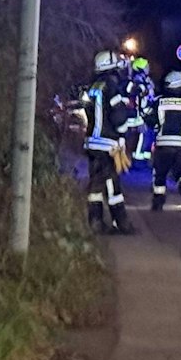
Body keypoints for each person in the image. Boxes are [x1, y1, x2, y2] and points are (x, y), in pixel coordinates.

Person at [77, 50, 134, 234]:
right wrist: (123, 133)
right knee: (112, 184)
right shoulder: (111, 86)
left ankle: (96, 220)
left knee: (96, 184)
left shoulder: (93, 87)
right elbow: (119, 117)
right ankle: (121, 223)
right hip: (107, 144)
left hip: (92, 143)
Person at [151, 70, 181, 211]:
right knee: (180, 172)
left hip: (163, 144)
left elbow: (150, 119)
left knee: (160, 174)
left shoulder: (159, 101)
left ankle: (158, 202)